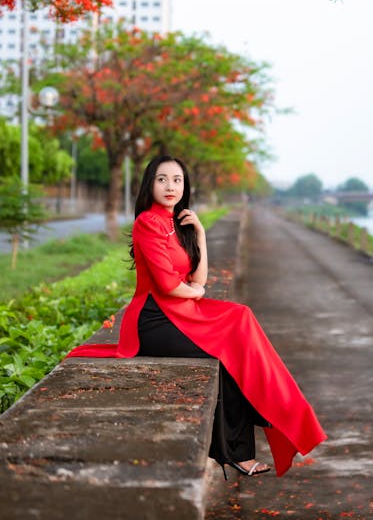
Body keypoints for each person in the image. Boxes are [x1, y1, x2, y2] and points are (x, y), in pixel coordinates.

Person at [67, 155, 327, 478]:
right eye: (162, 179)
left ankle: (278, 416)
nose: (170, 186)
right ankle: (238, 452)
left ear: (185, 186)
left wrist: (201, 235)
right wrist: (197, 293)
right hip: (154, 319)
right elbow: (168, 285)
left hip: (182, 311)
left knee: (241, 317)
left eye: (177, 180)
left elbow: (198, 279)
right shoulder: (147, 222)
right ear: (150, 184)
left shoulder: (179, 222)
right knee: (226, 355)